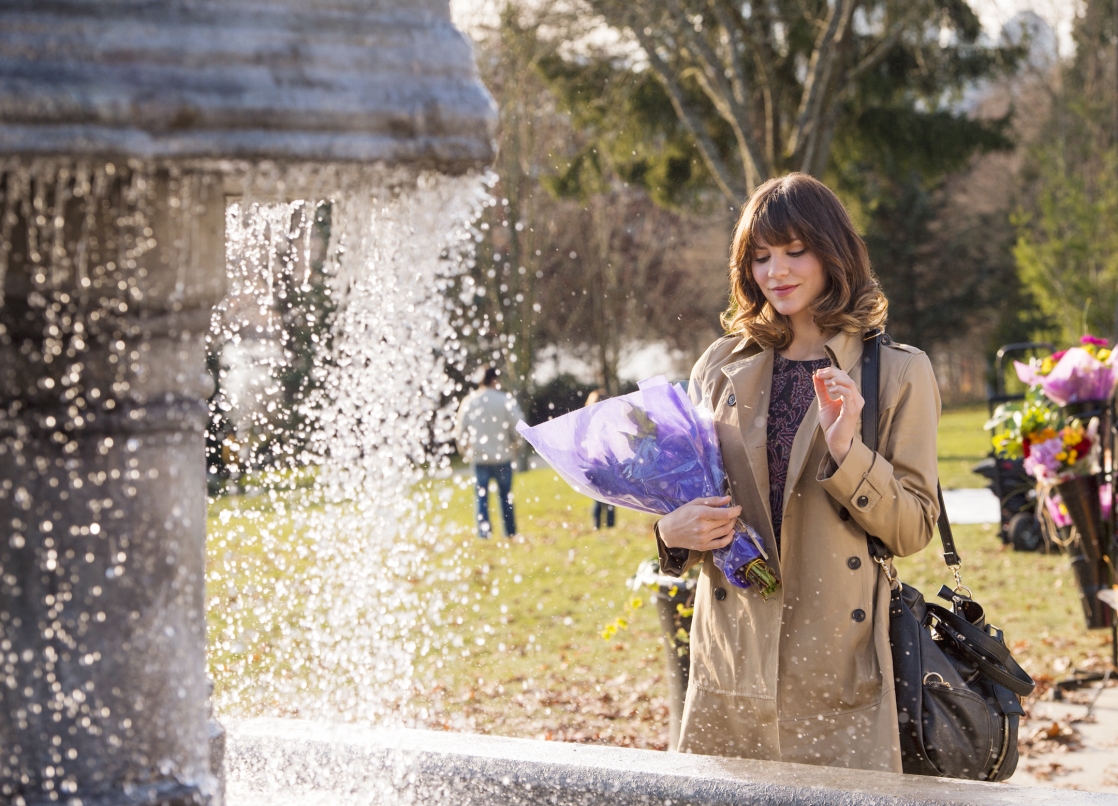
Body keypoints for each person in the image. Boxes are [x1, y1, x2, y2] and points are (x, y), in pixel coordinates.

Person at [655, 174, 940, 772]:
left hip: (838, 659)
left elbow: (914, 529)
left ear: (833, 252)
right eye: (759, 257)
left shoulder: (896, 372)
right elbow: (687, 491)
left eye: (793, 251)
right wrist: (670, 535)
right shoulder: (720, 364)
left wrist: (849, 452)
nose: (775, 272)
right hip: (732, 656)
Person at [454, 364, 524, 539]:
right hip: (503, 456)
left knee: (481, 499)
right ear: (495, 379)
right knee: (505, 498)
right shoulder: (504, 399)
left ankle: (484, 534)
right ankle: (510, 532)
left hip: (479, 458)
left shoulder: (469, 401)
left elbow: (461, 430)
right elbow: (517, 427)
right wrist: (517, 446)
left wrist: (464, 451)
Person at [584, 388, 616, 529]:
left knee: (600, 497)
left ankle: (598, 525)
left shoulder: (589, 424)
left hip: (597, 466)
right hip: (605, 466)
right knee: (609, 499)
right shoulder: (606, 423)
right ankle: (608, 524)